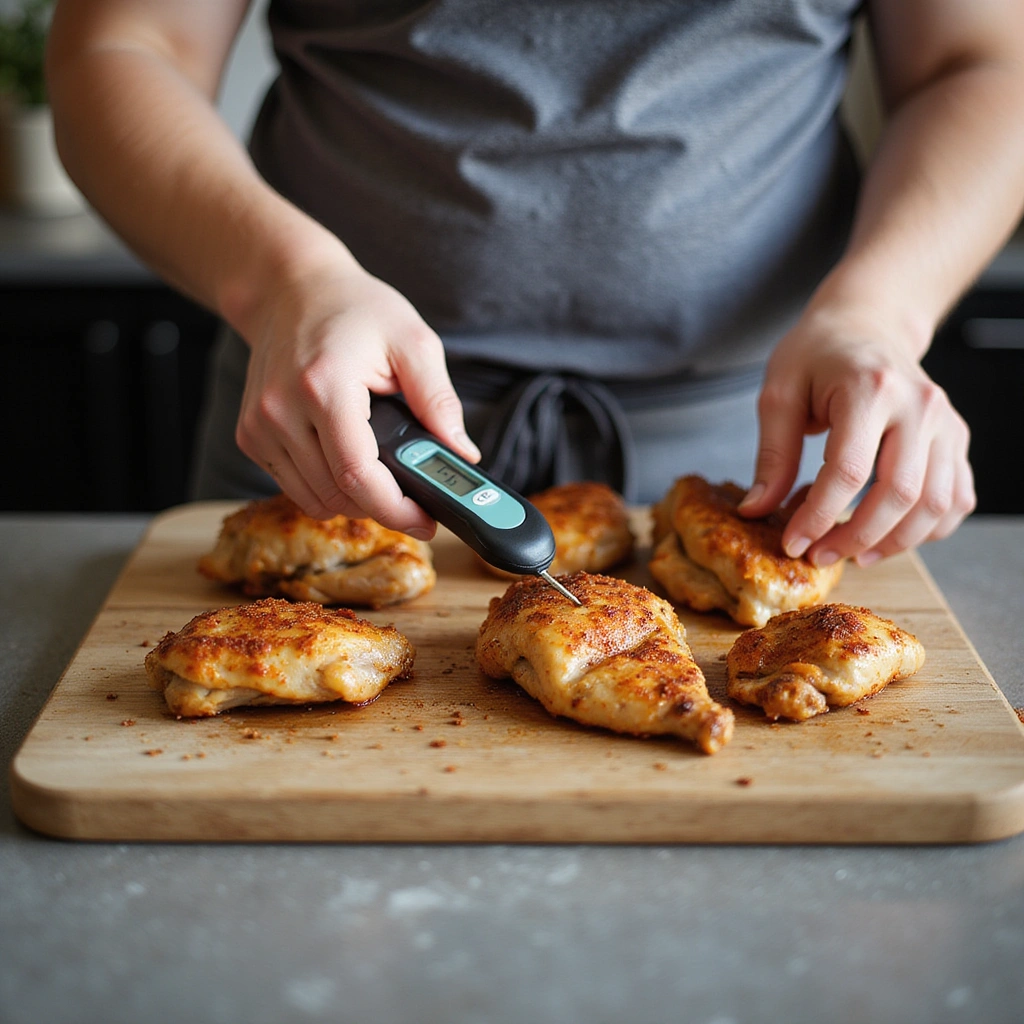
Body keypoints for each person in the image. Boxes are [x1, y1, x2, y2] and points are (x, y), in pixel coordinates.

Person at [46, 1, 1024, 568]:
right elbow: (123, 43)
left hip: (769, 463)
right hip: (332, 433)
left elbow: (979, 60)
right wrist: (284, 280)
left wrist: (878, 314)